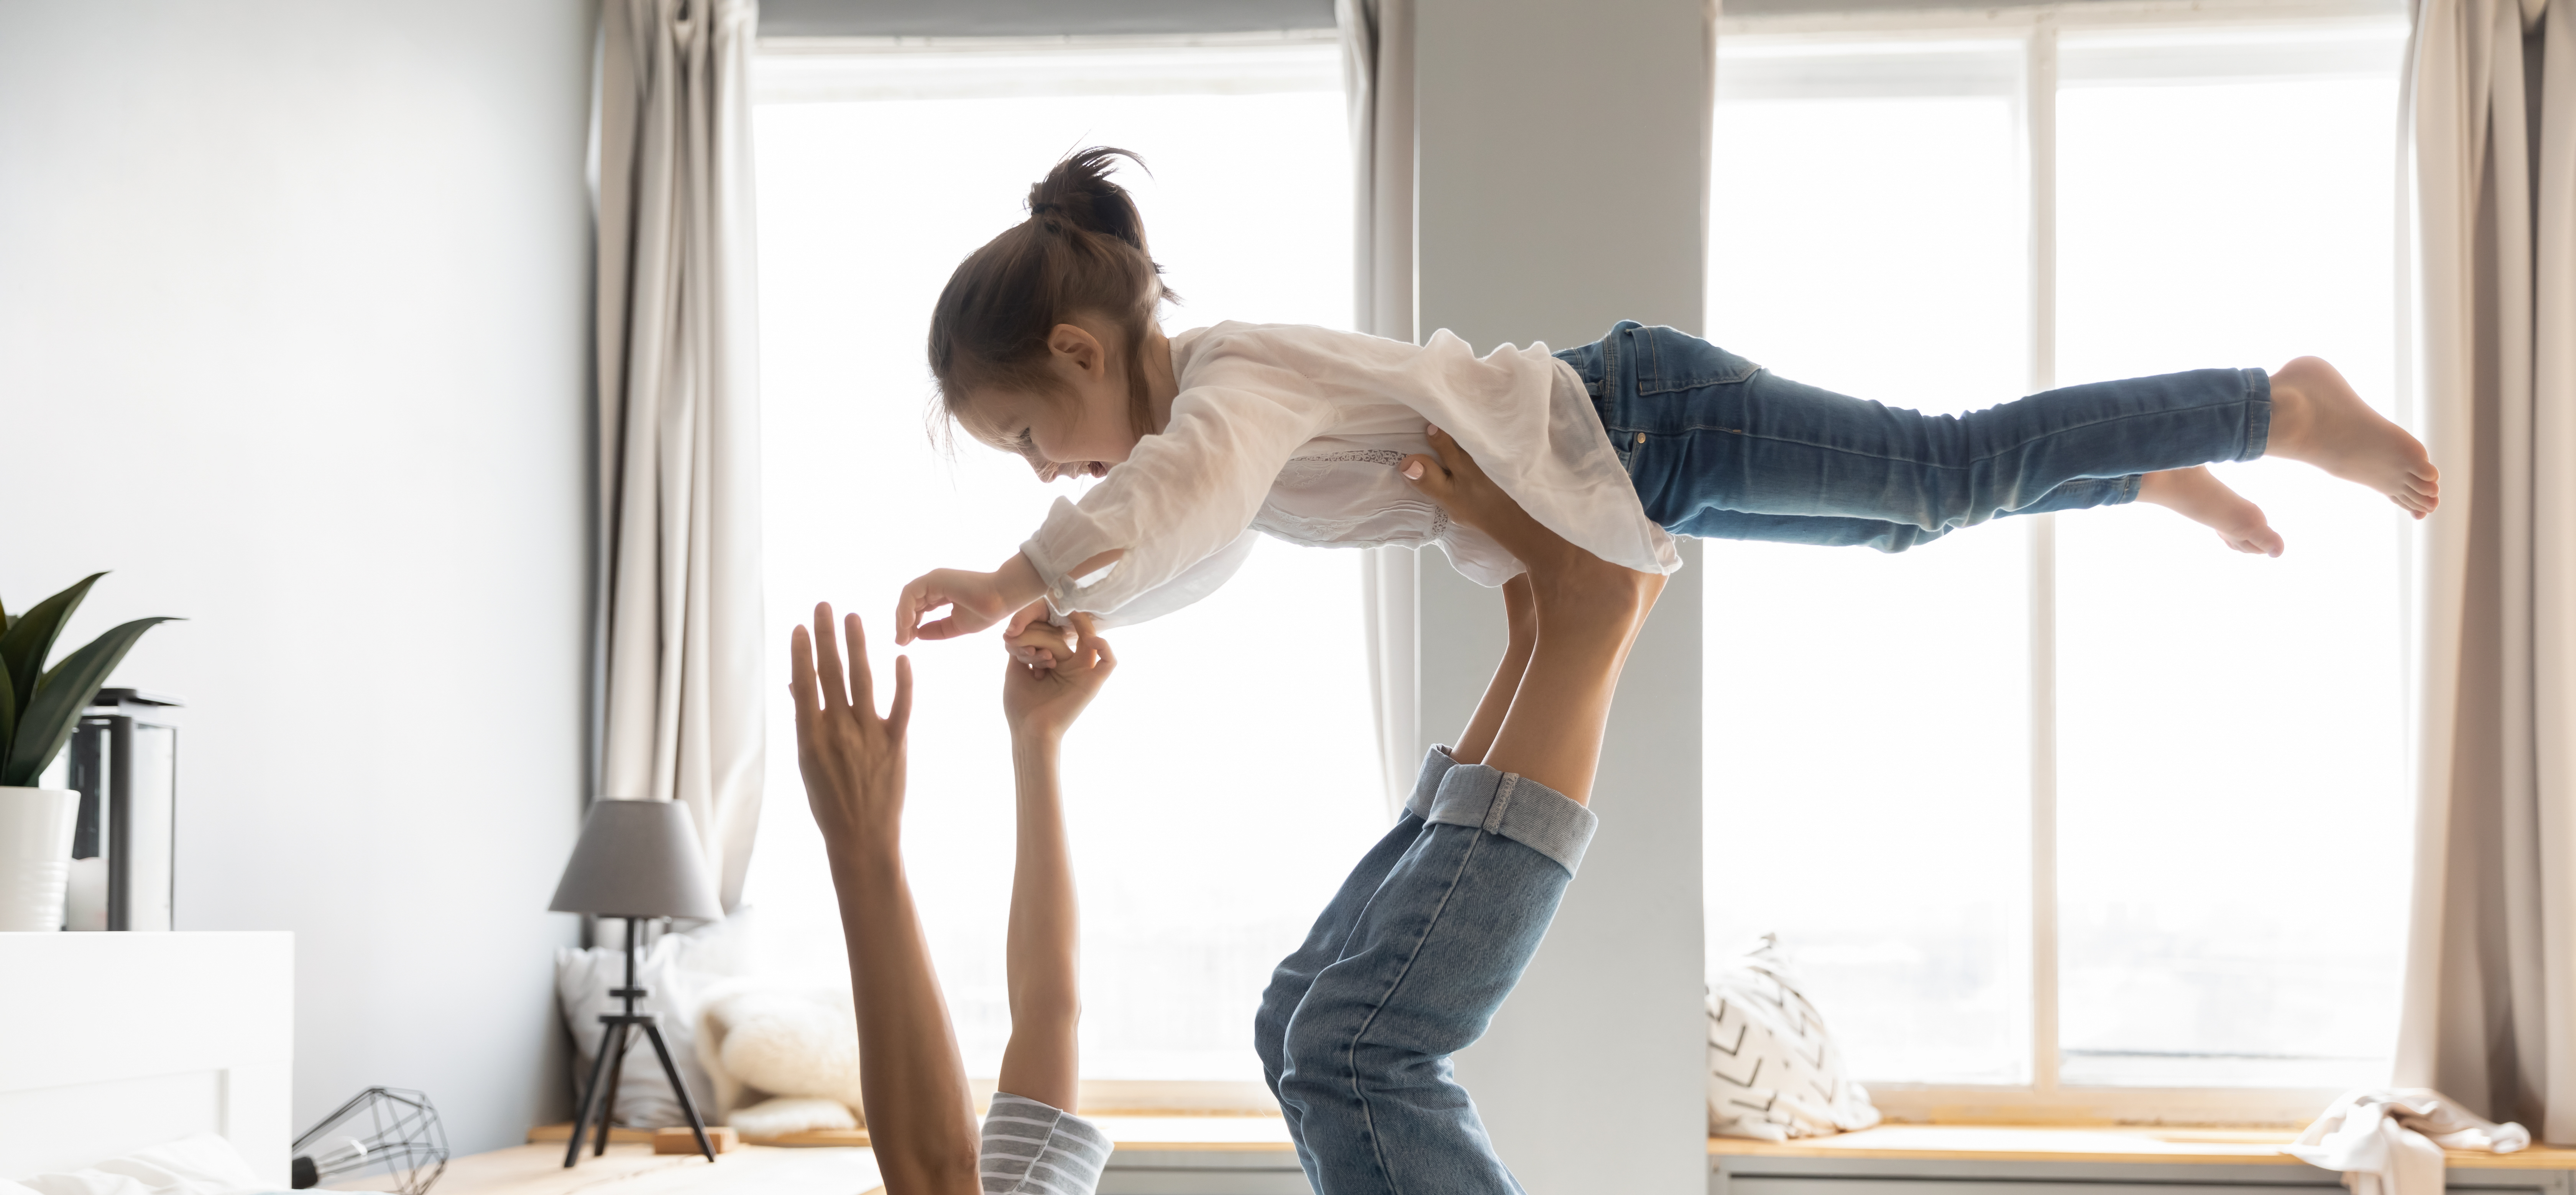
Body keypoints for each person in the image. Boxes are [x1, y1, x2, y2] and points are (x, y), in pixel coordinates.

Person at [457, 434, 1686, 1195]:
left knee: (1292, 1022)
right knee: (1352, 1054)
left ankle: (1541, 640)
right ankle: (1586, 629)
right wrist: (860, 847)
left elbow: (1050, 1021)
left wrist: (1033, 749)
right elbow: (928, 1167)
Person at [894, 147, 2440, 664]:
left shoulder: (1232, 386)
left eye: (1030, 438)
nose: (1048, 470)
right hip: (1640, 464)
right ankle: (2142, 473)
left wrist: (1021, 574)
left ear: (1084, 353)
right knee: (1925, 518)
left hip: (1648, 419)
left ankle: (2274, 407)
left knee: (1942, 473)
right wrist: (1080, 611)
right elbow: (1200, 548)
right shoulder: (1199, 443)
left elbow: (1179, 512)